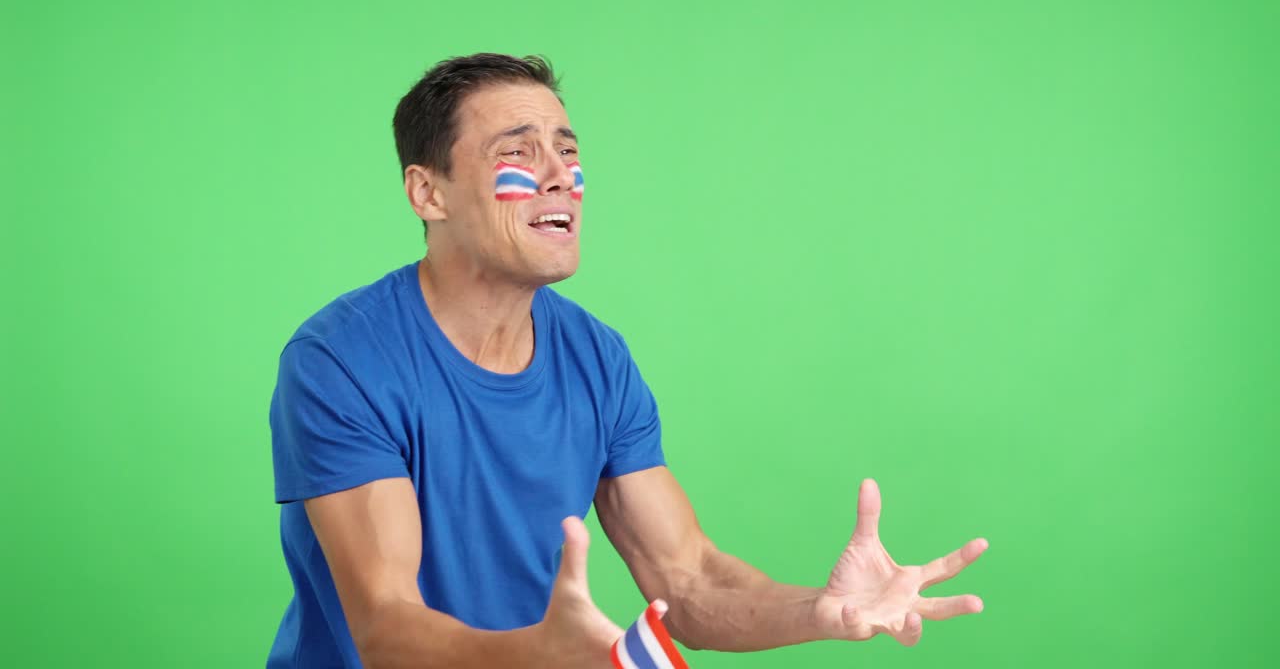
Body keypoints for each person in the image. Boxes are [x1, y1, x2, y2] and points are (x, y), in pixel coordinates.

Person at [266, 53, 989, 668]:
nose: (559, 175)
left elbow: (690, 580)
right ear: (429, 193)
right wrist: (538, 654)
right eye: (518, 152)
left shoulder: (597, 358)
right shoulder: (340, 360)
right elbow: (385, 625)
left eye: (569, 150)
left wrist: (825, 610)